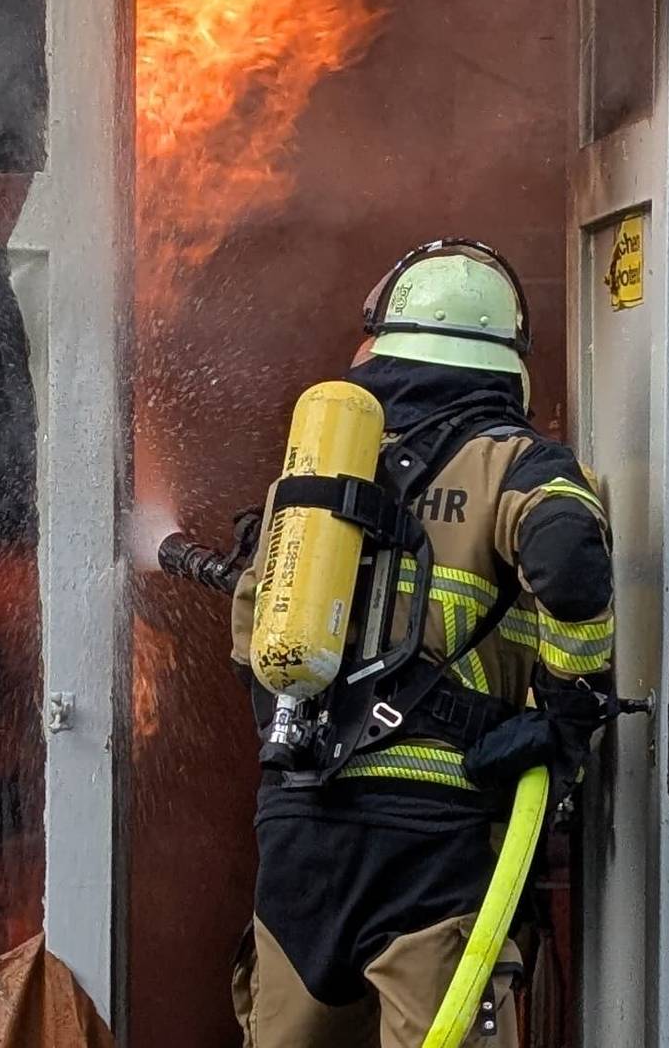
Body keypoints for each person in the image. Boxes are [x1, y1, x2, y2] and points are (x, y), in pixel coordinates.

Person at [229, 240, 620, 1047]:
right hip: (435, 838)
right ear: (506, 359)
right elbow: (569, 561)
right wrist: (564, 714)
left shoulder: (315, 471)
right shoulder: (514, 464)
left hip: (300, 828)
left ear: (379, 342)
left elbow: (250, 642)